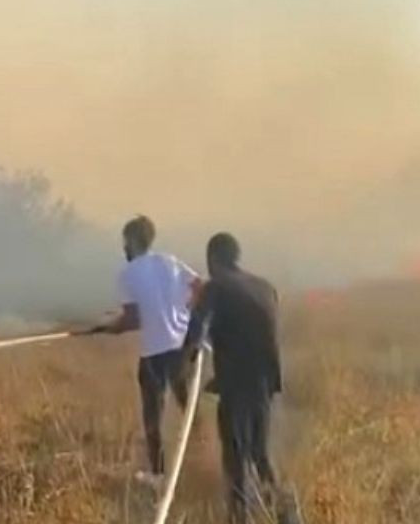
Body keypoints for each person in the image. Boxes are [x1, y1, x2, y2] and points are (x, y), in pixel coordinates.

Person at [77, 214, 204, 485]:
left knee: (152, 413)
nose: (124, 247)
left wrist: (107, 328)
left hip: (155, 353)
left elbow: (132, 319)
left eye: (125, 242)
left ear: (133, 241)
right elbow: (199, 286)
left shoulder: (128, 273)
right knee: (189, 404)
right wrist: (188, 312)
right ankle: (203, 454)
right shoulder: (169, 261)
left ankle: (157, 474)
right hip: (182, 347)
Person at [185, 232, 293, 524]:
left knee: (235, 457)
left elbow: (195, 336)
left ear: (212, 260)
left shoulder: (215, 287)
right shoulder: (264, 287)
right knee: (260, 452)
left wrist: (187, 363)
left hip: (238, 383)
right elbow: (253, 334)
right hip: (264, 382)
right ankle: (286, 515)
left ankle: (238, 518)